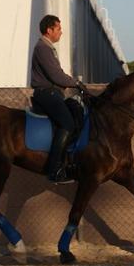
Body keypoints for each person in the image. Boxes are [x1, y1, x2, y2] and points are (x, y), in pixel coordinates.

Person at [31, 15, 87, 184]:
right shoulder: (43, 48)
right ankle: (54, 170)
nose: (61, 32)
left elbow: (59, 75)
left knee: (77, 112)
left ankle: (69, 162)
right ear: (49, 30)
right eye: (59, 29)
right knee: (68, 124)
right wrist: (76, 83)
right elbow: (56, 76)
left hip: (54, 93)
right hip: (47, 93)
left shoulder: (47, 47)